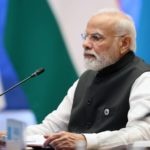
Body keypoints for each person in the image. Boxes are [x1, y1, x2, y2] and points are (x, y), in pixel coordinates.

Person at [7, 8, 150, 149]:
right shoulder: (86, 77)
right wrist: (11, 136)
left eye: (96, 37)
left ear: (124, 44)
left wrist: (85, 140)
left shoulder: (143, 78)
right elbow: (52, 126)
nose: (85, 44)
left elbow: (142, 133)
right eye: (86, 36)